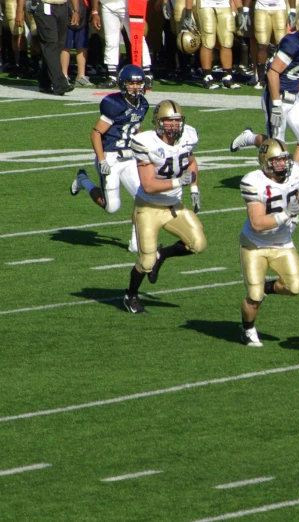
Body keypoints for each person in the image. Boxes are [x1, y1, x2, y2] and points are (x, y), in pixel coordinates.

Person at [123, 100, 205, 314]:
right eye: (168, 121)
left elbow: (191, 161)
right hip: (148, 208)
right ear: (158, 122)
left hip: (172, 206)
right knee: (146, 261)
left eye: (177, 121)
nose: (174, 126)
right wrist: (180, 182)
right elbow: (149, 185)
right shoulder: (145, 142)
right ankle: (130, 295)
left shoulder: (188, 136)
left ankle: (164, 254)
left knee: (198, 244)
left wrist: (194, 188)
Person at [227, 7, 299, 167]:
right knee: (277, 146)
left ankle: (295, 181)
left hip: (294, 96)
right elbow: (273, 72)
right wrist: (275, 104)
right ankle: (249, 138)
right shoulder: (293, 42)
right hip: (278, 95)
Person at [70, 64, 149, 252]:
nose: (135, 87)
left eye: (138, 83)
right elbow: (96, 133)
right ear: (123, 84)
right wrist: (102, 159)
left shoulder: (143, 104)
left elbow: (135, 128)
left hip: (129, 158)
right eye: (131, 83)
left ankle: (135, 242)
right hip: (110, 157)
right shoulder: (115, 104)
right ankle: (84, 181)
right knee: (111, 207)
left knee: (143, 199)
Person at [238, 139, 299, 347]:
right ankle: (248, 329)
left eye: (284, 160)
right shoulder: (253, 182)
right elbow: (257, 223)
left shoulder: (296, 174)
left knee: (295, 287)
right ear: (264, 162)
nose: (281, 165)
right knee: (254, 296)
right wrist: (287, 214)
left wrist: (295, 215)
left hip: (283, 242)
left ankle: (265, 287)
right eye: (275, 161)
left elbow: (296, 194)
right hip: (255, 245)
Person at [19, 0, 80, 95]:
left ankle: (44, 81)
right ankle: (60, 83)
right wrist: (19, 10)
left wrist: (76, 11)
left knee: (58, 46)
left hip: (63, 6)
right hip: (45, 7)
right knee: (51, 45)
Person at [91, 0, 153, 88]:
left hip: (130, 5)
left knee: (137, 38)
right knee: (111, 41)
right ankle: (112, 76)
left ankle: (147, 74)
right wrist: (95, 11)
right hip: (107, 5)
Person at [184, 0, 243, 88]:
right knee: (208, 40)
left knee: (227, 40)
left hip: (224, 4)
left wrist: (240, 9)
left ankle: (228, 76)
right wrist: (188, 13)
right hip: (205, 4)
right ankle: (207, 76)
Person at [60, 0, 92, 86]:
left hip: (84, 7)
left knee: (82, 45)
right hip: (66, 6)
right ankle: (64, 75)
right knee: (66, 44)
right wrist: (75, 10)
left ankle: (81, 75)